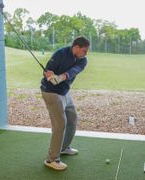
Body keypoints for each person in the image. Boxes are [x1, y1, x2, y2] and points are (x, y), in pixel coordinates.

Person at [41, 36, 90, 170]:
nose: (86, 53)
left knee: (72, 118)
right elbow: (47, 70)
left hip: (64, 91)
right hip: (51, 92)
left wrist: (61, 77)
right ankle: (52, 160)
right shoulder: (60, 53)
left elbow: (74, 71)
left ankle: (63, 148)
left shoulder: (83, 60)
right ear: (76, 47)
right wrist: (50, 75)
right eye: (84, 50)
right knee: (60, 124)